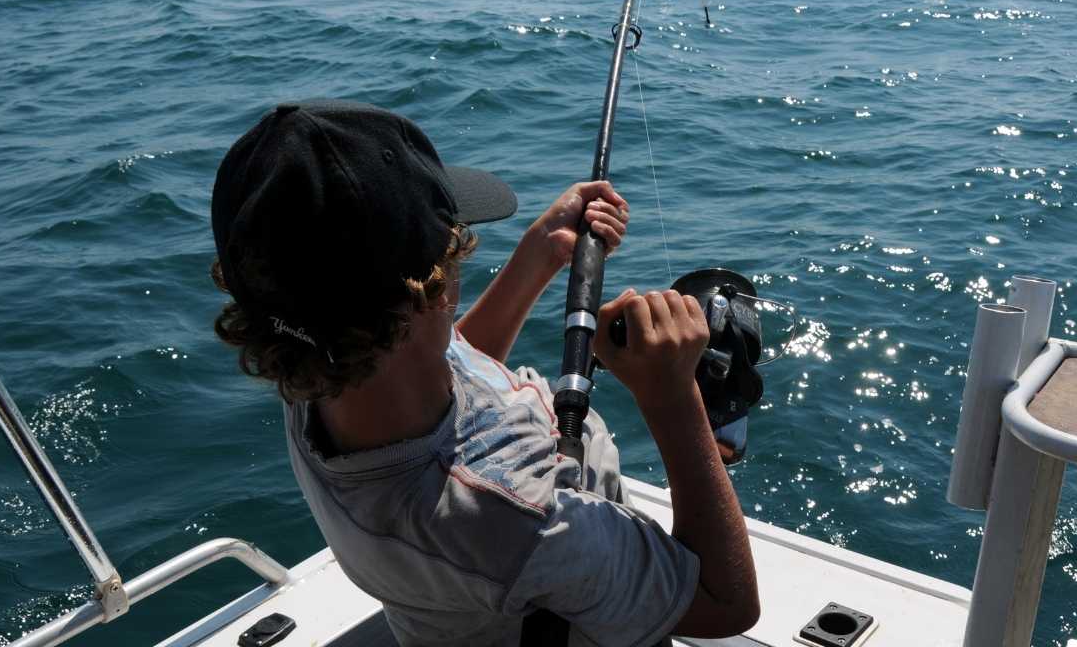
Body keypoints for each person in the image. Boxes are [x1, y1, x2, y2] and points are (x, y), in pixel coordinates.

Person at [209, 99, 758, 646]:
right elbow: (724, 605)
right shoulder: (516, 519)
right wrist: (672, 398)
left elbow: (443, 358)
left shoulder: (313, 364)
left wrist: (539, 255)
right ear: (431, 291)